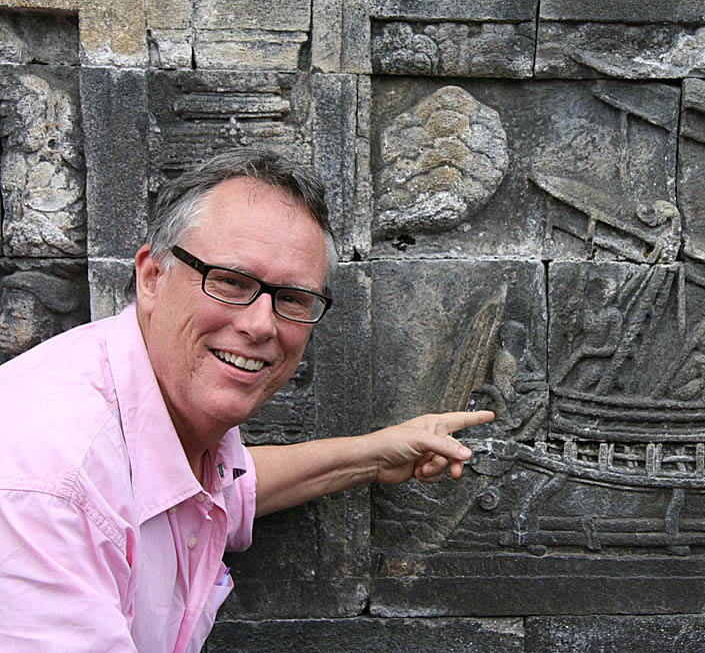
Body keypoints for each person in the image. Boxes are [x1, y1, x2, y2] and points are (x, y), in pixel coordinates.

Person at [0, 150, 493, 652]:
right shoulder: (50, 483)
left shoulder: (156, 419)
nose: (261, 325)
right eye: (231, 282)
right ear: (152, 277)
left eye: (293, 298)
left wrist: (373, 455)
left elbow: (219, 490)